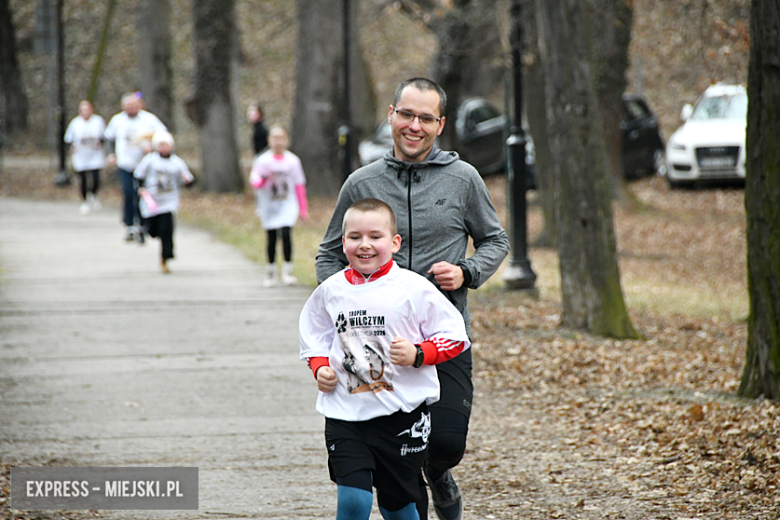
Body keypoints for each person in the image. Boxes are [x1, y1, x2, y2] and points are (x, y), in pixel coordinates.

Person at [315, 77, 510, 520]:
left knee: (444, 444)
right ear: (391, 115)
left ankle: (437, 473)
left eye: (425, 118)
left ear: (439, 124)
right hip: (373, 346)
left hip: (442, 338)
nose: (414, 126)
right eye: (406, 114)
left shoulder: (463, 179)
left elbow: (495, 240)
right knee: (391, 454)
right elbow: (328, 253)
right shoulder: (361, 183)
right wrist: (343, 299)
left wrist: (466, 271)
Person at [300, 198, 471, 520]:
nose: (365, 245)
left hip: (401, 415)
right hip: (345, 414)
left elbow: (455, 336)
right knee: (353, 503)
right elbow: (313, 334)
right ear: (343, 242)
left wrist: (419, 354)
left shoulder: (413, 288)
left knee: (400, 508)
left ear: (394, 243)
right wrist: (320, 366)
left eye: (375, 236)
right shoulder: (330, 290)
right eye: (355, 237)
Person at [104, 92, 167, 243]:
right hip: (126, 163)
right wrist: (111, 154)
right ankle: (129, 223)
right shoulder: (118, 120)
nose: (131, 109)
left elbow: (163, 136)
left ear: (139, 105)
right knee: (128, 192)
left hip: (144, 164)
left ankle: (143, 223)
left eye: (134, 106)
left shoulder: (149, 119)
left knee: (143, 194)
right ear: (123, 107)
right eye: (128, 107)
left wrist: (153, 147)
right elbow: (108, 138)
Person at [249, 125, 308, 286]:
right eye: (275, 138)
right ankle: (270, 271)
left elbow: (299, 184)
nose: (278, 142)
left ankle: (288, 271)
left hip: (287, 203)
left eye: (281, 138)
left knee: (286, 234)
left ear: (286, 140)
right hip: (269, 204)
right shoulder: (263, 161)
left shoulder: (293, 161)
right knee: (272, 237)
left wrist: (303, 208)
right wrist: (263, 178)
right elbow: (255, 182)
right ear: (269, 140)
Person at [133, 131, 194, 274]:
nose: (164, 148)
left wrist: (187, 180)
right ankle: (145, 230)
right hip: (152, 200)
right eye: (161, 145)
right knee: (154, 230)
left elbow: (189, 180)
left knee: (167, 229)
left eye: (166, 145)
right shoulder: (150, 160)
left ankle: (166, 256)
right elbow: (138, 176)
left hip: (169, 200)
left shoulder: (177, 162)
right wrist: (141, 189)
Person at [64, 100, 106, 215]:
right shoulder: (75, 123)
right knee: (83, 179)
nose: (85, 113)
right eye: (83, 110)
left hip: (94, 154)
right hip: (80, 155)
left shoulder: (98, 121)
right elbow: (68, 138)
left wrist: (100, 143)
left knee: (96, 178)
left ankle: (92, 194)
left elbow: (104, 136)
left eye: (88, 110)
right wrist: (71, 147)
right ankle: (84, 201)